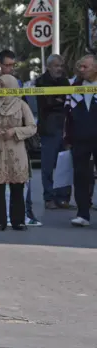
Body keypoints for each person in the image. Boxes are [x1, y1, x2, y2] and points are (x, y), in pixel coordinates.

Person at [0, 49, 42, 227]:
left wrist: (19, 131)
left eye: (12, 65)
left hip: (17, 140)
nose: (10, 69)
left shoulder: (18, 84)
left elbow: (26, 114)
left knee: (22, 180)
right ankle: (1, 217)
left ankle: (25, 214)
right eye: (6, 65)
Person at [0, 74, 37, 231]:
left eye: (4, 86)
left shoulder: (22, 105)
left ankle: (19, 221)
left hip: (16, 151)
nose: (1, 89)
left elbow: (32, 127)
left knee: (17, 187)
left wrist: (15, 131)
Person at [36, 54, 72, 210]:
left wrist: (58, 100)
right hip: (49, 128)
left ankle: (63, 197)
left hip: (65, 127)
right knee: (48, 166)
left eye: (61, 66)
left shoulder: (64, 80)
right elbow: (48, 103)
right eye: (56, 66)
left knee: (64, 164)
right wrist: (58, 100)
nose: (59, 69)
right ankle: (49, 197)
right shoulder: (41, 82)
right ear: (49, 66)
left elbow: (67, 101)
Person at [64, 54, 97, 227]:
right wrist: (68, 138)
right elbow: (68, 115)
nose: (81, 70)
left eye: (86, 67)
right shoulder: (75, 87)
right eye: (80, 67)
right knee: (81, 176)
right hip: (80, 139)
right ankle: (83, 214)